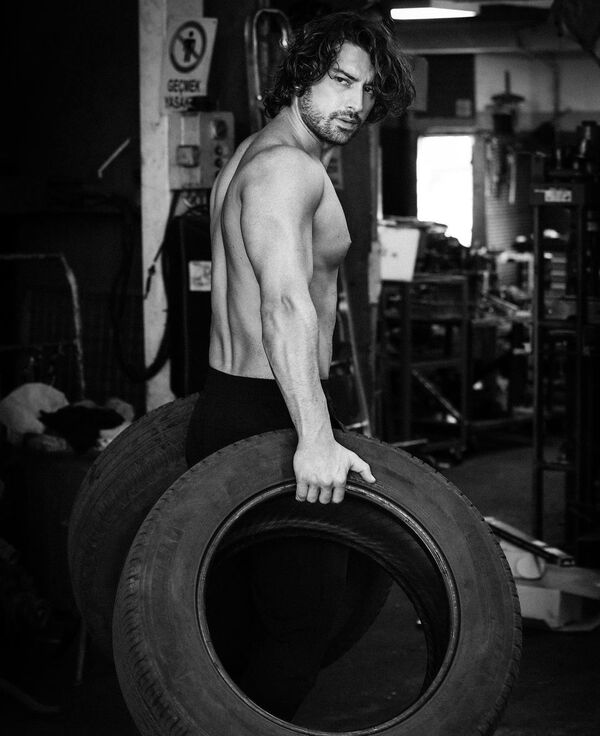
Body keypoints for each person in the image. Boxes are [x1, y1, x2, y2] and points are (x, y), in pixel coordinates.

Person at [186, 9, 414, 721]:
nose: (356, 103)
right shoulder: (287, 168)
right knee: (301, 626)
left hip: (229, 407)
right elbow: (284, 303)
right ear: (300, 75)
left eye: (367, 90)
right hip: (276, 416)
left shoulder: (250, 158)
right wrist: (315, 437)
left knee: (243, 629)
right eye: (340, 80)